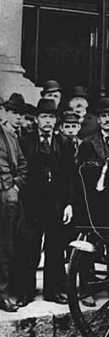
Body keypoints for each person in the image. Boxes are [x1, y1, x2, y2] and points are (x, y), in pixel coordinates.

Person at [17, 98, 75, 305]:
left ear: (56, 120)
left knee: (56, 247)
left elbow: (70, 176)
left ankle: (54, 290)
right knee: (29, 247)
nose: (48, 122)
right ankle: (25, 291)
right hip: (32, 203)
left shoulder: (64, 143)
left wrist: (68, 204)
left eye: (51, 117)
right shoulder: (25, 141)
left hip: (56, 203)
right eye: (44, 117)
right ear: (37, 119)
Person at [0, 116, 27, 311]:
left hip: (7, 199)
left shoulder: (9, 136)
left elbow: (23, 165)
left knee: (6, 246)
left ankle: (4, 291)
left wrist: (15, 187)